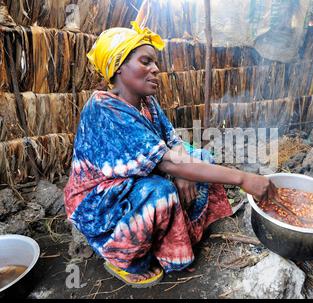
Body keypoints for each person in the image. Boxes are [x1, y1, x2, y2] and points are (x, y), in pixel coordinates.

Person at [64, 21, 275, 288]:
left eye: (155, 63)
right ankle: (124, 259)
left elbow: (173, 141)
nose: (155, 69)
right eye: (145, 61)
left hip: (138, 178)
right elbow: (167, 161)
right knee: (159, 192)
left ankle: (180, 234)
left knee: (201, 158)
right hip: (100, 200)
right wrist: (243, 179)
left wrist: (183, 172)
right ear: (118, 66)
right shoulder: (104, 109)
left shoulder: (146, 102)